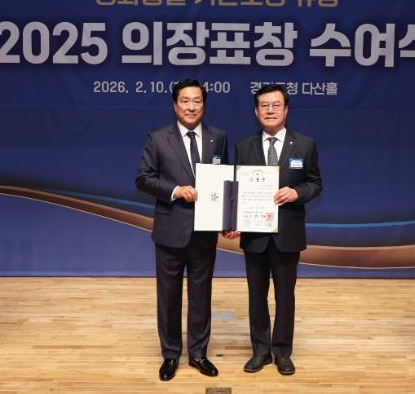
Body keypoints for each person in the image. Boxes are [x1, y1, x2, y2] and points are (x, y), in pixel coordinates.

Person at [135, 79, 229, 381]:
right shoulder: (158, 137)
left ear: (204, 104)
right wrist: (175, 190)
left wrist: (227, 219)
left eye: (197, 101)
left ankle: (199, 353)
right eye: (185, 101)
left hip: (205, 231)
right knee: (169, 296)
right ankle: (171, 354)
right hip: (170, 229)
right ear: (175, 105)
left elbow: (224, 183)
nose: (191, 106)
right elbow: (143, 178)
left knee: (202, 295)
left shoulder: (218, 137)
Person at [229, 83, 322, 376]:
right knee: (256, 295)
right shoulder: (244, 145)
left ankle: (282, 352)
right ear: (256, 112)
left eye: (276, 105)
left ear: (286, 110)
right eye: (264, 106)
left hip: (287, 234)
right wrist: (232, 220)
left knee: (285, 296)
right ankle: (260, 350)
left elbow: (315, 183)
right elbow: (236, 189)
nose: (270, 111)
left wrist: (297, 193)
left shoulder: (304, 144)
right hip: (254, 233)